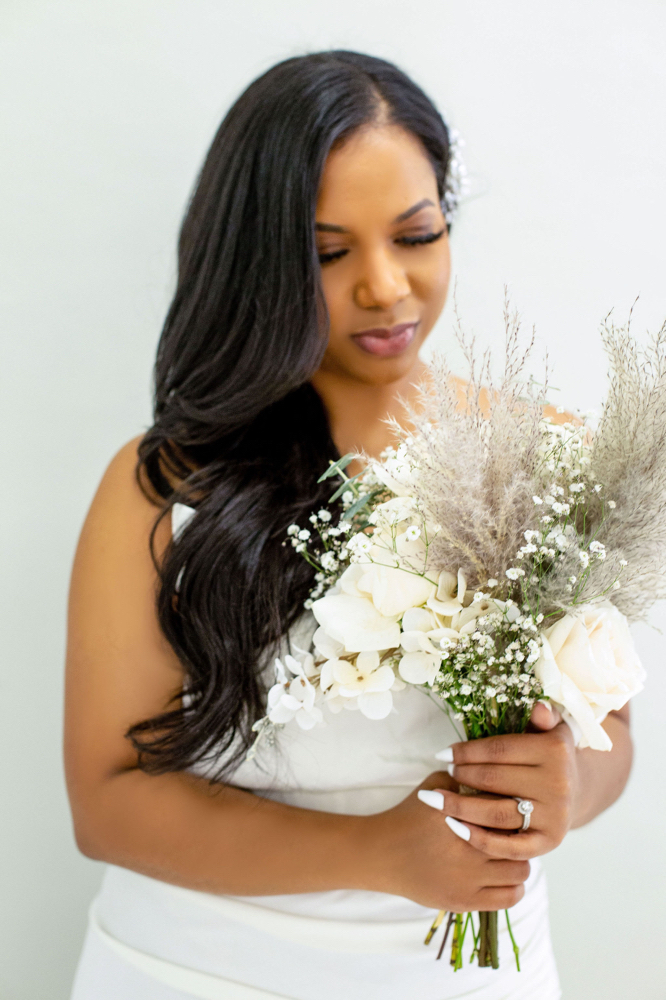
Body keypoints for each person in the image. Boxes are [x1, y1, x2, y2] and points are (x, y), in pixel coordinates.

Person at [65, 51, 633, 1000]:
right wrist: (376, 853)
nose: (384, 287)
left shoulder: (546, 453)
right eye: (329, 254)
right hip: (191, 971)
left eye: (416, 235)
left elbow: (607, 728)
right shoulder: (162, 486)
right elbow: (107, 805)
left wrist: (566, 789)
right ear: (257, 262)